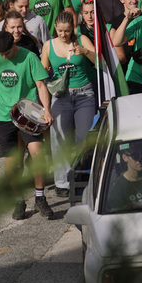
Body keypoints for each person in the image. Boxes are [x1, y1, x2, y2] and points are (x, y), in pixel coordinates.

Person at [0, 31, 54, 220]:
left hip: (27, 114)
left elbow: (41, 85)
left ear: (13, 44)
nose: (3, 57)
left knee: (37, 154)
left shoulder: (29, 57)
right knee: (12, 162)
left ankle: (40, 198)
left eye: (6, 53)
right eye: (0, 54)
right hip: (3, 115)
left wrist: (47, 110)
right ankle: (18, 200)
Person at [40, 11, 95, 198]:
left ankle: (84, 176)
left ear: (73, 29)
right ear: (55, 28)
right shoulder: (49, 46)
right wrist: (46, 70)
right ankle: (62, 182)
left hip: (84, 95)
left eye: (67, 31)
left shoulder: (81, 39)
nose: (64, 35)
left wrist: (85, 52)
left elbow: (100, 61)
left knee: (84, 137)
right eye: (60, 31)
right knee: (60, 139)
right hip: (61, 96)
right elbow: (43, 70)